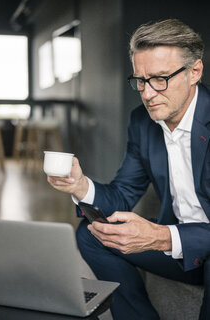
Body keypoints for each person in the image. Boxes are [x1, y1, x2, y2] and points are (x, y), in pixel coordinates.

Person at [48, 19, 210, 320]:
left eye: (160, 78)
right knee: (92, 234)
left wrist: (161, 236)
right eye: (140, 80)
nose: (147, 94)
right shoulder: (142, 121)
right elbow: (123, 193)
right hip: (178, 246)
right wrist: (80, 186)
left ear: (194, 72)